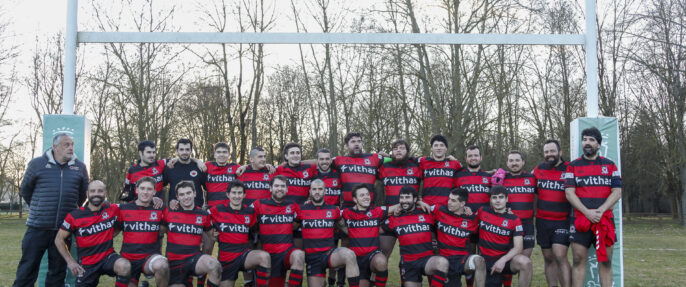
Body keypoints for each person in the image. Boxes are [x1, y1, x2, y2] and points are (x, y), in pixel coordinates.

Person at [14, 132, 89, 287]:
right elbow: (25, 190)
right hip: (37, 227)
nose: (70, 148)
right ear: (55, 147)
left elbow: (81, 196)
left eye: (72, 144)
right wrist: (39, 207)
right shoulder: (36, 164)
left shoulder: (80, 167)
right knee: (27, 269)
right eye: (66, 144)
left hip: (63, 231)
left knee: (57, 273)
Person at [565, 127, 621, 287]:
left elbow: (617, 192)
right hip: (581, 220)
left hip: (604, 220)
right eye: (584, 140)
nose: (587, 143)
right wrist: (587, 213)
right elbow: (569, 193)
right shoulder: (573, 166)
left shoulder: (610, 165)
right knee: (577, 259)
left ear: (598, 144)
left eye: (591, 140)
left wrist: (601, 210)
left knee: (606, 261)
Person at [54, 180, 132, 287]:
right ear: (87, 194)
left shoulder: (112, 209)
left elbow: (134, 206)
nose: (96, 194)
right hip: (87, 264)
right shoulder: (74, 216)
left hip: (108, 257)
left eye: (100, 191)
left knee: (125, 266)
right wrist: (70, 262)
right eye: (93, 191)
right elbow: (59, 239)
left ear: (105, 193)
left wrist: (155, 198)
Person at [297, 179, 360, 287]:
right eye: (314, 189)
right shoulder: (301, 210)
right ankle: (322, 282)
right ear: (310, 191)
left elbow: (345, 228)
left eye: (320, 189)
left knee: (349, 255)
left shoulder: (333, 210)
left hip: (329, 254)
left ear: (325, 191)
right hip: (312, 258)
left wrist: (362, 236)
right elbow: (290, 227)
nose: (317, 192)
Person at [208, 181, 271, 287]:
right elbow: (200, 217)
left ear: (244, 194)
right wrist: (210, 232)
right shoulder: (217, 210)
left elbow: (255, 230)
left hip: (244, 255)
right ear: (228, 194)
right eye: (234, 193)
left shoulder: (250, 212)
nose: (237, 196)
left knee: (264, 257)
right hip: (226, 259)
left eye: (239, 193)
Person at [385, 186, 449, 287]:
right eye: (402, 197)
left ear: (415, 199)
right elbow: (375, 224)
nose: (404, 200)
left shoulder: (427, 213)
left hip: (427, 260)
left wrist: (465, 209)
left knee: (442, 262)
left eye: (407, 197)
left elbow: (448, 213)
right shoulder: (395, 218)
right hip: (408, 263)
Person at [162, 181, 222, 287]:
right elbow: (156, 231)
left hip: (194, 259)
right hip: (174, 263)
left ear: (194, 193)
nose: (186, 197)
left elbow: (212, 235)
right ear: (177, 197)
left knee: (215, 266)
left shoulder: (203, 215)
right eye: (182, 194)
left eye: (188, 193)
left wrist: (217, 234)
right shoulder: (169, 213)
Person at [251, 175, 306, 287]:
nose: (279, 188)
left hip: (286, 253)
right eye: (276, 186)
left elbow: (297, 222)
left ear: (286, 189)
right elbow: (243, 216)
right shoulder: (259, 204)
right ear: (270, 188)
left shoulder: (293, 205)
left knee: (299, 255)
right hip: (268, 255)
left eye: (282, 186)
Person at [117, 177, 170, 287]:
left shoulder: (160, 208)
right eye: (142, 188)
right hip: (128, 259)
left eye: (149, 189)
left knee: (162, 265)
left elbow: (171, 226)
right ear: (136, 190)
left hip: (149, 258)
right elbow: (113, 231)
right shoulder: (123, 208)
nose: (145, 192)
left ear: (154, 192)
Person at [533, 139, 571, 287]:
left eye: (552, 151)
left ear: (560, 152)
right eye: (546, 152)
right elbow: (533, 192)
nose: (549, 154)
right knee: (548, 258)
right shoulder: (539, 169)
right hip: (542, 221)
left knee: (560, 254)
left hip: (562, 220)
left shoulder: (569, 168)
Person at [477, 186, 532, 287]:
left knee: (525, 262)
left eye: (501, 197)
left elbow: (518, 247)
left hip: (504, 260)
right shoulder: (482, 211)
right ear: (490, 200)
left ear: (507, 199)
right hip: (485, 261)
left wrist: (503, 260)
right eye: (494, 197)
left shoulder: (515, 219)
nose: (497, 200)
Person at [433, 188, 485, 287]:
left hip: (462, 260)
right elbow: (422, 207)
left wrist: (508, 212)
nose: (449, 203)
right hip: (444, 260)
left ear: (462, 204)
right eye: (449, 199)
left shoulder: (472, 219)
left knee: (479, 261)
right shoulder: (439, 210)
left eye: (453, 200)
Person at [340, 185, 390, 287]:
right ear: (355, 199)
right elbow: (332, 214)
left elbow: (398, 207)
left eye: (367, 194)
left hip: (373, 256)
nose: (366, 197)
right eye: (362, 195)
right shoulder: (347, 212)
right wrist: (346, 230)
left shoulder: (376, 211)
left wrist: (418, 202)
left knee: (381, 261)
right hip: (356, 260)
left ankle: (375, 277)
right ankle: (370, 279)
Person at [378, 139, 421, 258]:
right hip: (390, 214)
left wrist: (420, 200)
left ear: (407, 151)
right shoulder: (384, 167)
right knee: (383, 252)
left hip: (411, 216)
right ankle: (374, 276)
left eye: (402, 148)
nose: (398, 150)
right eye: (395, 148)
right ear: (392, 152)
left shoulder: (416, 166)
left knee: (412, 253)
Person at [333, 132, 384, 208]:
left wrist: (388, 155)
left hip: (369, 208)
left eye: (359, 141)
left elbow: (395, 159)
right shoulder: (339, 160)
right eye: (353, 142)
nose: (357, 144)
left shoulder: (374, 158)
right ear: (346, 146)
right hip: (347, 209)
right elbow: (320, 162)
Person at [501, 150, 537, 256]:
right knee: (509, 260)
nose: (514, 163)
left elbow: (539, 195)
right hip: (508, 224)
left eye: (517, 160)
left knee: (525, 259)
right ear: (507, 163)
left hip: (527, 224)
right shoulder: (501, 179)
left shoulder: (532, 178)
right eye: (511, 160)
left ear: (523, 162)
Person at [419, 134, 462, 207]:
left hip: (447, 207)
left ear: (446, 148)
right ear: (431, 148)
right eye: (436, 145)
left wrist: (456, 160)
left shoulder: (454, 163)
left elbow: (466, 175)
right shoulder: (424, 161)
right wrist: (418, 200)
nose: (439, 148)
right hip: (427, 207)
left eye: (441, 145)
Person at [164, 138, 207, 207]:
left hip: (196, 211)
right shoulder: (170, 167)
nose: (184, 152)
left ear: (191, 151)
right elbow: (159, 186)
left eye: (187, 149)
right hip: (175, 211)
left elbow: (208, 188)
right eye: (181, 149)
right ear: (177, 151)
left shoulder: (199, 167)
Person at [454, 145, 492, 213]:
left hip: (485, 218)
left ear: (481, 158)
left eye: (476, 155)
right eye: (470, 156)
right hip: (464, 218)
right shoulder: (457, 176)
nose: (473, 158)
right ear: (466, 158)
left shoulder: (489, 177)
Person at [205, 142, 240, 208]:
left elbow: (251, 168)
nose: (221, 154)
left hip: (229, 209)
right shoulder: (208, 166)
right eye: (218, 152)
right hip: (212, 208)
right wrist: (196, 160)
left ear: (229, 154)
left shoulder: (235, 167)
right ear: (214, 154)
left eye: (224, 152)